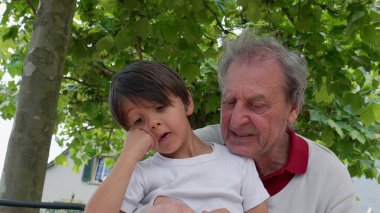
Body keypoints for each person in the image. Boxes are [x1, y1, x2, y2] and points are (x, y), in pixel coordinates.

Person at [141, 29, 357, 213]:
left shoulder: (327, 175)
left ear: (293, 110)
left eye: (257, 105)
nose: (236, 121)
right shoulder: (195, 146)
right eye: (230, 101)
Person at [84, 60, 269, 213]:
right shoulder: (140, 174)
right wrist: (128, 156)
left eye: (160, 107)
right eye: (139, 121)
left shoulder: (238, 163)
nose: (153, 123)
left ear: (187, 103)